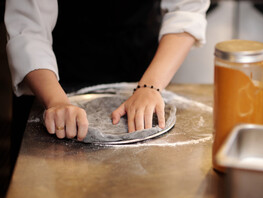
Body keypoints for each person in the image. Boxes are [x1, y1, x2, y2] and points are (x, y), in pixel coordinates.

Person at [4, 0, 210, 141]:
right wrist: (56, 101)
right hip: (50, 75)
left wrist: (150, 86)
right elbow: (28, 27)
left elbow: (187, 11)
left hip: (139, 67)